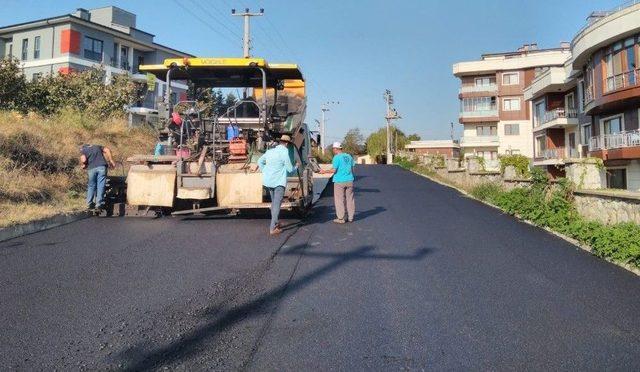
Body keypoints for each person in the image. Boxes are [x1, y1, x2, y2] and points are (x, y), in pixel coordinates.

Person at [257, 135, 298, 235]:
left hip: (269, 182)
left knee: (274, 203)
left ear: (280, 142)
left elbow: (259, 161)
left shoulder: (270, 151)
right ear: (287, 143)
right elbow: (289, 169)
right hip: (279, 182)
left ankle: (275, 222)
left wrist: (265, 171)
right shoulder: (285, 152)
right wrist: (296, 167)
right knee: (276, 205)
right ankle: (272, 228)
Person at [321, 142, 355, 223]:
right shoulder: (349, 156)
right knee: (350, 199)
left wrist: (324, 171)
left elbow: (334, 170)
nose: (333, 150)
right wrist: (351, 177)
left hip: (339, 181)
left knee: (339, 199)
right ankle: (350, 217)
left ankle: (341, 218)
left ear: (336, 149)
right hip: (350, 180)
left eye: (333, 149)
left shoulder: (336, 157)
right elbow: (353, 168)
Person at [80, 144, 116, 210]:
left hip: (91, 169)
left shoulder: (84, 150)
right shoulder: (97, 146)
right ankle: (98, 204)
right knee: (101, 185)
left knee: (91, 185)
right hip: (102, 167)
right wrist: (111, 160)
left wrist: (83, 165)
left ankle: (89, 203)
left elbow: (83, 160)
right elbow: (107, 150)